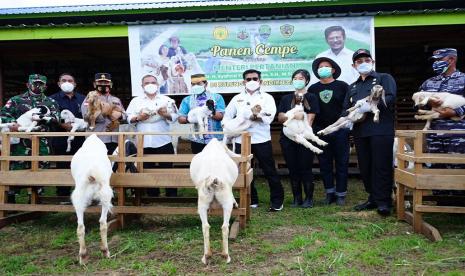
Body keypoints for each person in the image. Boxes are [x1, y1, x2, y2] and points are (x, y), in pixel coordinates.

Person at [224, 69, 284, 212]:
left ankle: (277, 201)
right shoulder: (237, 99)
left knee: (269, 170)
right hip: (241, 140)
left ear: (260, 81)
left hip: (261, 139)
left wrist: (255, 117)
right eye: (248, 79)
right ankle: (251, 200)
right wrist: (231, 127)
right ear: (243, 82)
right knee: (244, 172)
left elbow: (268, 119)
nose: (252, 81)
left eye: (255, 79)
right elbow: (227, 117)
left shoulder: (267, 98)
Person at [348, 49, 397, 216]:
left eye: (366, 59)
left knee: (381, 165)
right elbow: (345, 109)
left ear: (372, 61)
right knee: (366, 166)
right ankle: (373, 197)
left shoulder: (384, 78)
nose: (363, 63)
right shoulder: (353, 86)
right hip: (360, 131)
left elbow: (390, 98)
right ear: (354, 65)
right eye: (359, 61)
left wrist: (370, 106)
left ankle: (384, 201)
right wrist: (345, 118)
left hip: (380, 129)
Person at [0, 73, 60, 203]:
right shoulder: (16, 100)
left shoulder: (51, 102)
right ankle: (10, 202)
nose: (37, 86)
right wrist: (14, 124)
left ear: (45, 86)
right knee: (16, 168)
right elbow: (3, 115)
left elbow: (56, 119)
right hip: (20, 142)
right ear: (28, 84)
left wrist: (43, 119)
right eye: (35, 83)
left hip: (41, 142)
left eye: (41, 84)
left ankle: (36, 201)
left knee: (40, 169)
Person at [419, 48, 465, 197]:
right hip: (434, 132)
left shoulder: (463, 79)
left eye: (439, 60)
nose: (436, 64)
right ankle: (441, 199)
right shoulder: (428, 82)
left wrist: (456, 111)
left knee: (458, 166)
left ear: (451, 60)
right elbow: (419, 102)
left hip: (458, 133)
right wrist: (425, 103)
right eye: (434, 61)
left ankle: (459, 201)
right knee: (435, 165)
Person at [126, 74, 179, 197]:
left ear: (158, 85)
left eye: (153, 82)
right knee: (146, 170)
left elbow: (175, 116)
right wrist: (139, 117)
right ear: (142, 86)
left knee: (168, 170)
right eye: (147, 83)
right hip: (142, 143)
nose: (150, 85)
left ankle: (171, 195)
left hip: (163, 141)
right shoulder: (136, 101)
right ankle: (152, 195)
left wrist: (165, 114)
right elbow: (128, 117)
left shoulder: (166, 100)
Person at [308, 57, 350, 206]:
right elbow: (311, 110)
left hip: (340, 130)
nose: (323, 69)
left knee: (342, 163)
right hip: (320, 132)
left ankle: (341, 194)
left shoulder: (343, 86)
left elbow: (347, 108)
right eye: (320, 67)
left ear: (333, 70)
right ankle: (329, 192)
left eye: (326, 66)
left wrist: (341, 125)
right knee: (324, 163)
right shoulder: (313, 89)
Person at [277, 69, 319, 208]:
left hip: (304, 138)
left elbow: (310, 118)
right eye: (295, 78)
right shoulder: (286, 98)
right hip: (288, 138)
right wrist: (293, 116)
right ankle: (297, 198)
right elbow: (281, 118)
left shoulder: (312, 97)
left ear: (306, 80)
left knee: (305, 168)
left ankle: (309, 198)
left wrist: (301, 134)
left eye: (301, 78)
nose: (297, 80)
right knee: (293, 168)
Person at [49, 73, 86, 197]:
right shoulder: (52, 99)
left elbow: (88, 115)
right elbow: (50, 116)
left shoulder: (83, 99)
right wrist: (61, 124)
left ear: (75, 84)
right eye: (64, 80)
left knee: (81, 166)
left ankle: (81, 194)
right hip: (60, 138)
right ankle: (62, 195)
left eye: (70, 80)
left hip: (80, 139)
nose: (67, 83)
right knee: (62, 165)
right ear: (59, 84)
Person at [178, 74, 225, 153]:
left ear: (206, 84)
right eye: (193, 84)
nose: (196, 86)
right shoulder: (187, 100)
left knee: (215, 163)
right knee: (199, 163)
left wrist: (208, 111)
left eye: (199, 84)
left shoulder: (217, 97)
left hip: (215, 138)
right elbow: (180, 119)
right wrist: (190, 119)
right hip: (197, 139)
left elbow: (220, 116)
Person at [81, 73, 126, 154]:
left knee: (113, 164)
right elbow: (86, 117)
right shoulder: (90, 98)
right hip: (97, 138)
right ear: (95, 84)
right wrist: (103, 114)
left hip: (114, 139)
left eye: (106, 82)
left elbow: (125, 116)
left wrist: (120, 116)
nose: (103, 84)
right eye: (100, 82)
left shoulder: (116, 99)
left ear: (110, 84)